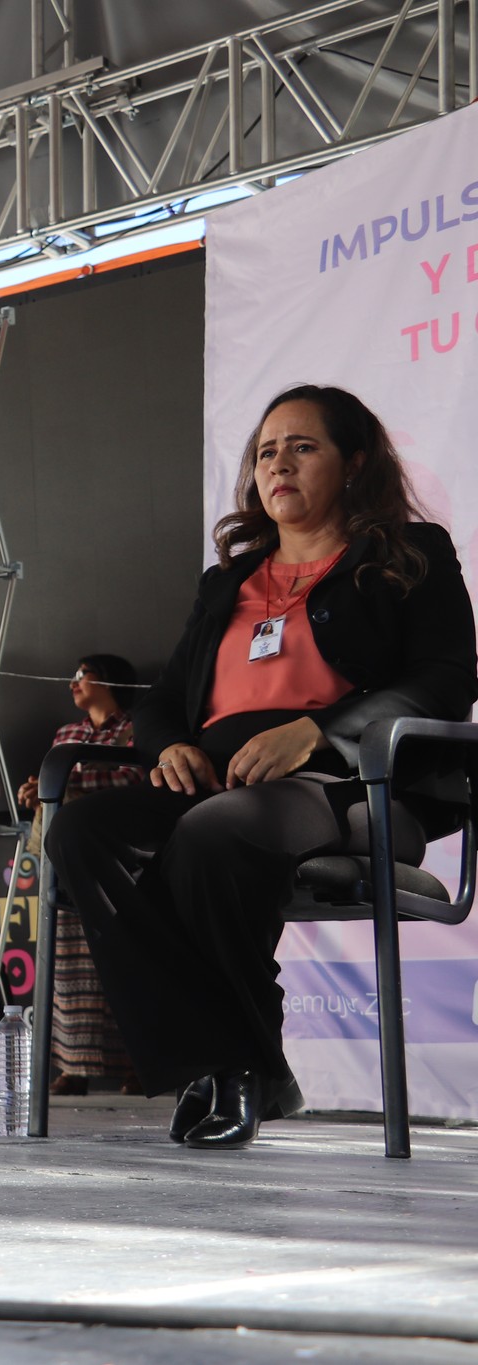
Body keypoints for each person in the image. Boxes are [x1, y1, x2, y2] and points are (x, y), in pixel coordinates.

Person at [46, 385, 476, 1149]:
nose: (278, 463)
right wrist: (168, 745)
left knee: (219, 831)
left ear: (356, 462)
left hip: (352, 782)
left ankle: (233, 1068)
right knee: (81, 831)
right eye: (267, 450)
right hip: (216, 780)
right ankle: (234, 1060)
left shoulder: (410, 555)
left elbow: (445, 677)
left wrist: (314, 732)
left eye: (303, 446)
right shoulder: (230, 582)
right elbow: (164, 700)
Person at [14, 656, 145, 1096]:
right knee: (67, 967)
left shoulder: (137, 729)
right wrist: (38, 795)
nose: (73, 681)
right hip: (66, 861)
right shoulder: (65, 734)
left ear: (109, 679)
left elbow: (134, 781)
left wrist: (67, 790)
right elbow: (58, 789)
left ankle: (140, 1067)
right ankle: (73, 1069)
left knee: (127, 963)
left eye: (83, 673)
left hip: (122, 858)